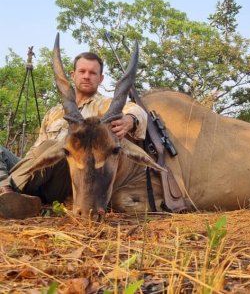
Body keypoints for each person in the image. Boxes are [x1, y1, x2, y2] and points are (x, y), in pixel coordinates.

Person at [0, 52, 147, 219]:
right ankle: (8, 192)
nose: (86, 76)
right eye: (82, 71)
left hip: (67, 176)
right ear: (73, 75)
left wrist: (130, 119)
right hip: (37, 169)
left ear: (101, 79)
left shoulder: (104, 106)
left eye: (93, 73)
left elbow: (135, 109)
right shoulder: (54, 112)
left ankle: (7, 193)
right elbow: (35, 150)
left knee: (55, 147)